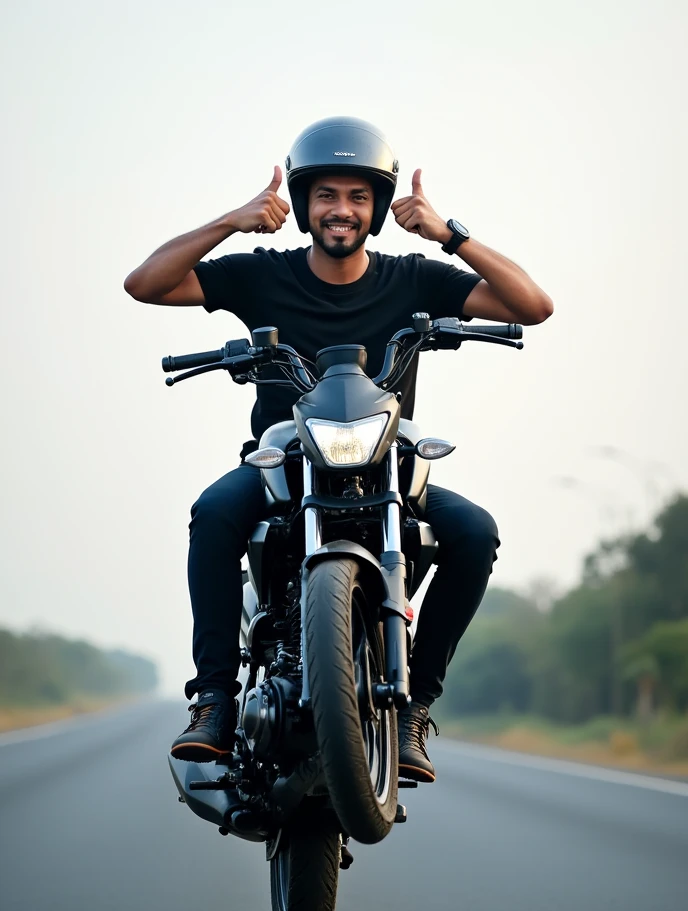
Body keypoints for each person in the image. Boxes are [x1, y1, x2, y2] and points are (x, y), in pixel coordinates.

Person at [124, 117, 552, 782]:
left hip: (388, 467)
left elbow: (533, 306)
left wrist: (450, 235)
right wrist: (232, 221)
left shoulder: (414, 277)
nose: (341, 210)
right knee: (212, 513)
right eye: (326, 195)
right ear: (303, 205)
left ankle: (415, 709)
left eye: (357, 196)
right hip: (281, 465)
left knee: (475, 531)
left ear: (377, 208)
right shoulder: (262, 275)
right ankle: (213, 701)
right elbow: (145, 283)